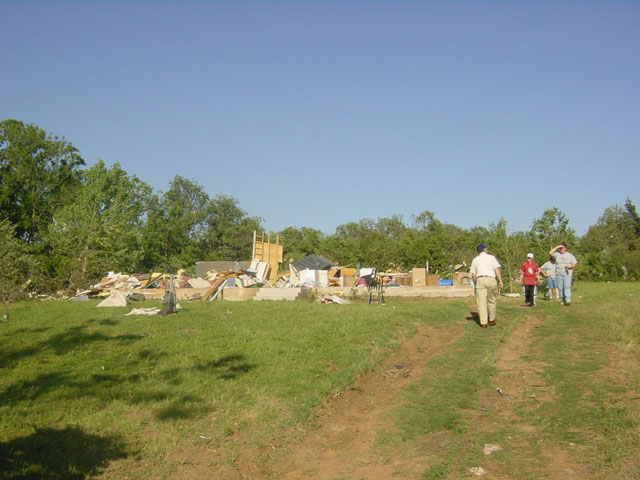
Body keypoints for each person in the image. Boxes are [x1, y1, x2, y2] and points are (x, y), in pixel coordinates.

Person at [470, 243, 503, 328]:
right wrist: (500, 281)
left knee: (481, 302)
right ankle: (492, 320)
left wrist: (475, 283)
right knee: (492, 300)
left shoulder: (475, 260)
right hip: (491, 279)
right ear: (484, 249)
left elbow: (474, 274)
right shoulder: (491, 257)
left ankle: (483, 322)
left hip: (480, 279)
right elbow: (496, 269)